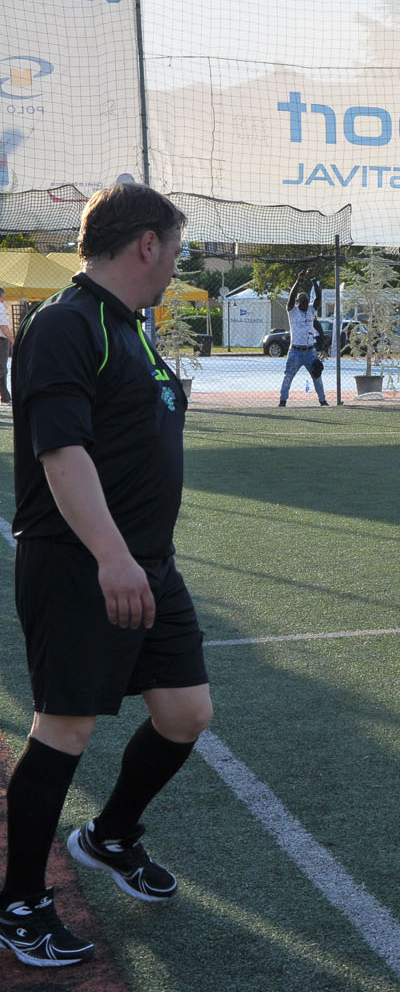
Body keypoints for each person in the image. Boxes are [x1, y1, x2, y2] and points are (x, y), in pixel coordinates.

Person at [2, 183, 213, 969]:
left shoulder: (125, 326)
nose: (177, 265)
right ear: (146, 245)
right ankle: (19, 902)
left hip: (147, 564)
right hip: (81, 563)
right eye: (176, 250)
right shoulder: (67, 323)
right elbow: (62, 453)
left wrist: (138, 559)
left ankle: (111, 835)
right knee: (65, 727)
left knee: (186, 713)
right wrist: (112, 556)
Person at [279, 269, 327, 407]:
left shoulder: (311, 309)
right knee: (288, 376)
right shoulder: (292, 311)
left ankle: (323, 400)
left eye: (306, 302)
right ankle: (282, 401)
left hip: (310, 351)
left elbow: (318, 297)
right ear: (298, 302)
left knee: (317, 376)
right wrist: (298, 281)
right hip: (295, 351)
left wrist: (313, 279)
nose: (305, 305)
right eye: (302, 302)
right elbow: (291, 297)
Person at [0, 285, 12, 403]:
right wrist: (12, 340)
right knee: (2, 368)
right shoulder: (0, 307)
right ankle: (5, 396)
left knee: (2, 369)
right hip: (1, 340)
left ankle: (5, 395)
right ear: (1, 297)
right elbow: (4, 327)